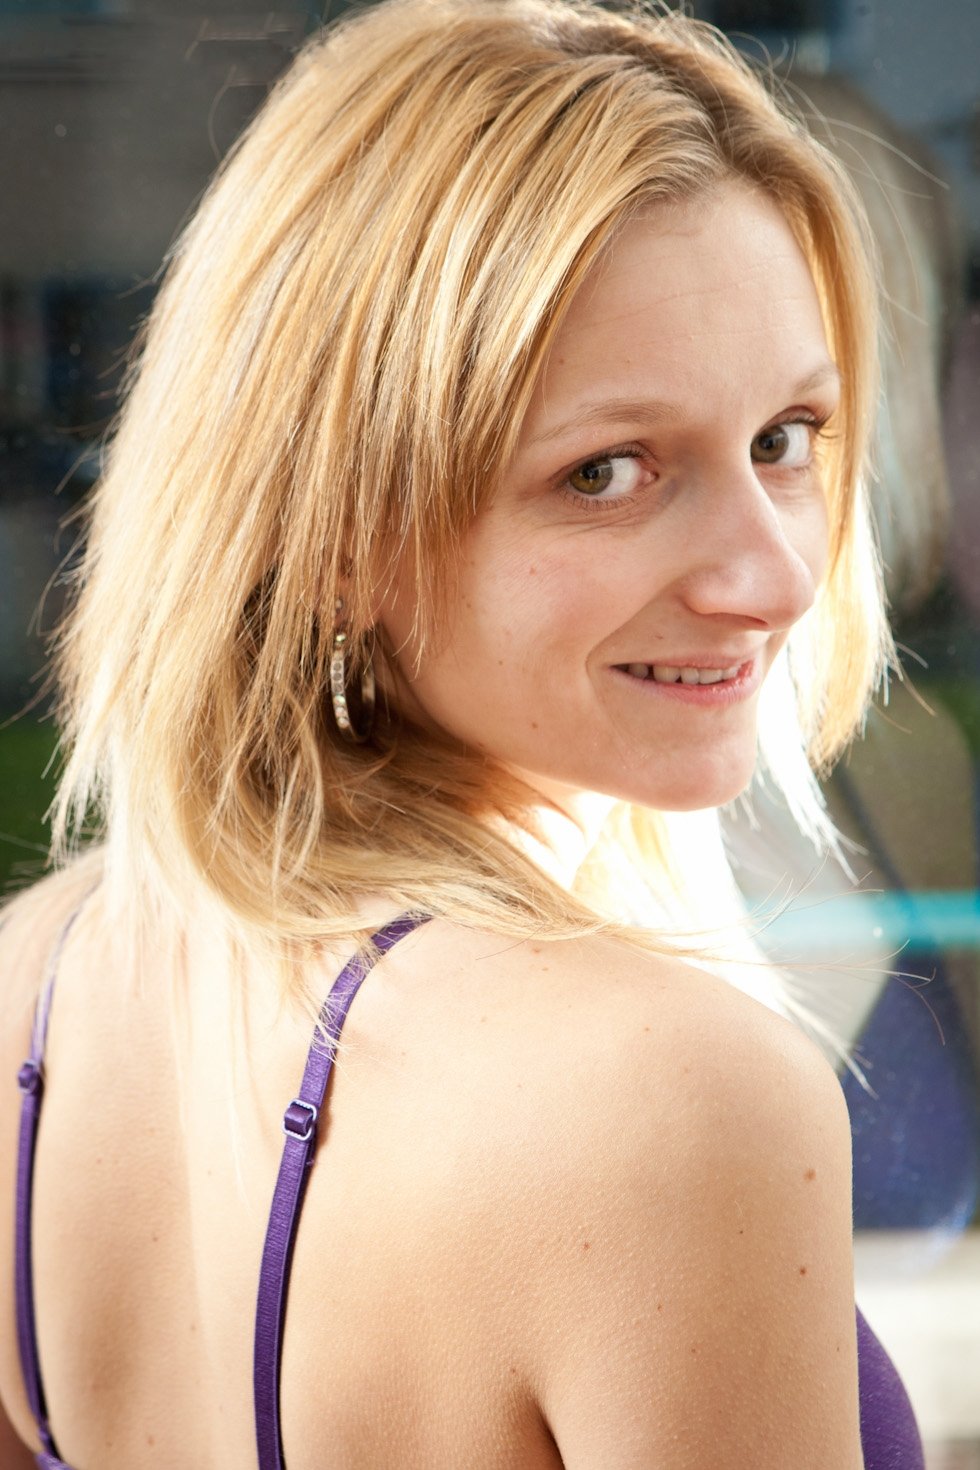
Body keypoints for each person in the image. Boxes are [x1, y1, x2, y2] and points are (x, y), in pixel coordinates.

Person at [0, 0, 925, 1464]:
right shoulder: (666, 1095)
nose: (772, 577)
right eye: (608, 471)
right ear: (330, 531)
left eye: (784, 440)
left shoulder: (35, 975)